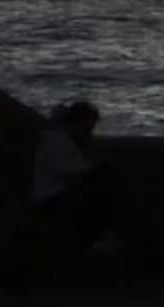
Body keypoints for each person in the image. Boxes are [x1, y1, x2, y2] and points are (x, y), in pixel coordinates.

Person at [32, 99, 118, 251]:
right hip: (51, 196)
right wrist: (93, 164)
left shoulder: (64, 139)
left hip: (59, 191)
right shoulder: (56, 141)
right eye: (88, 127)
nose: (89, 132)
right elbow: (68, 170)